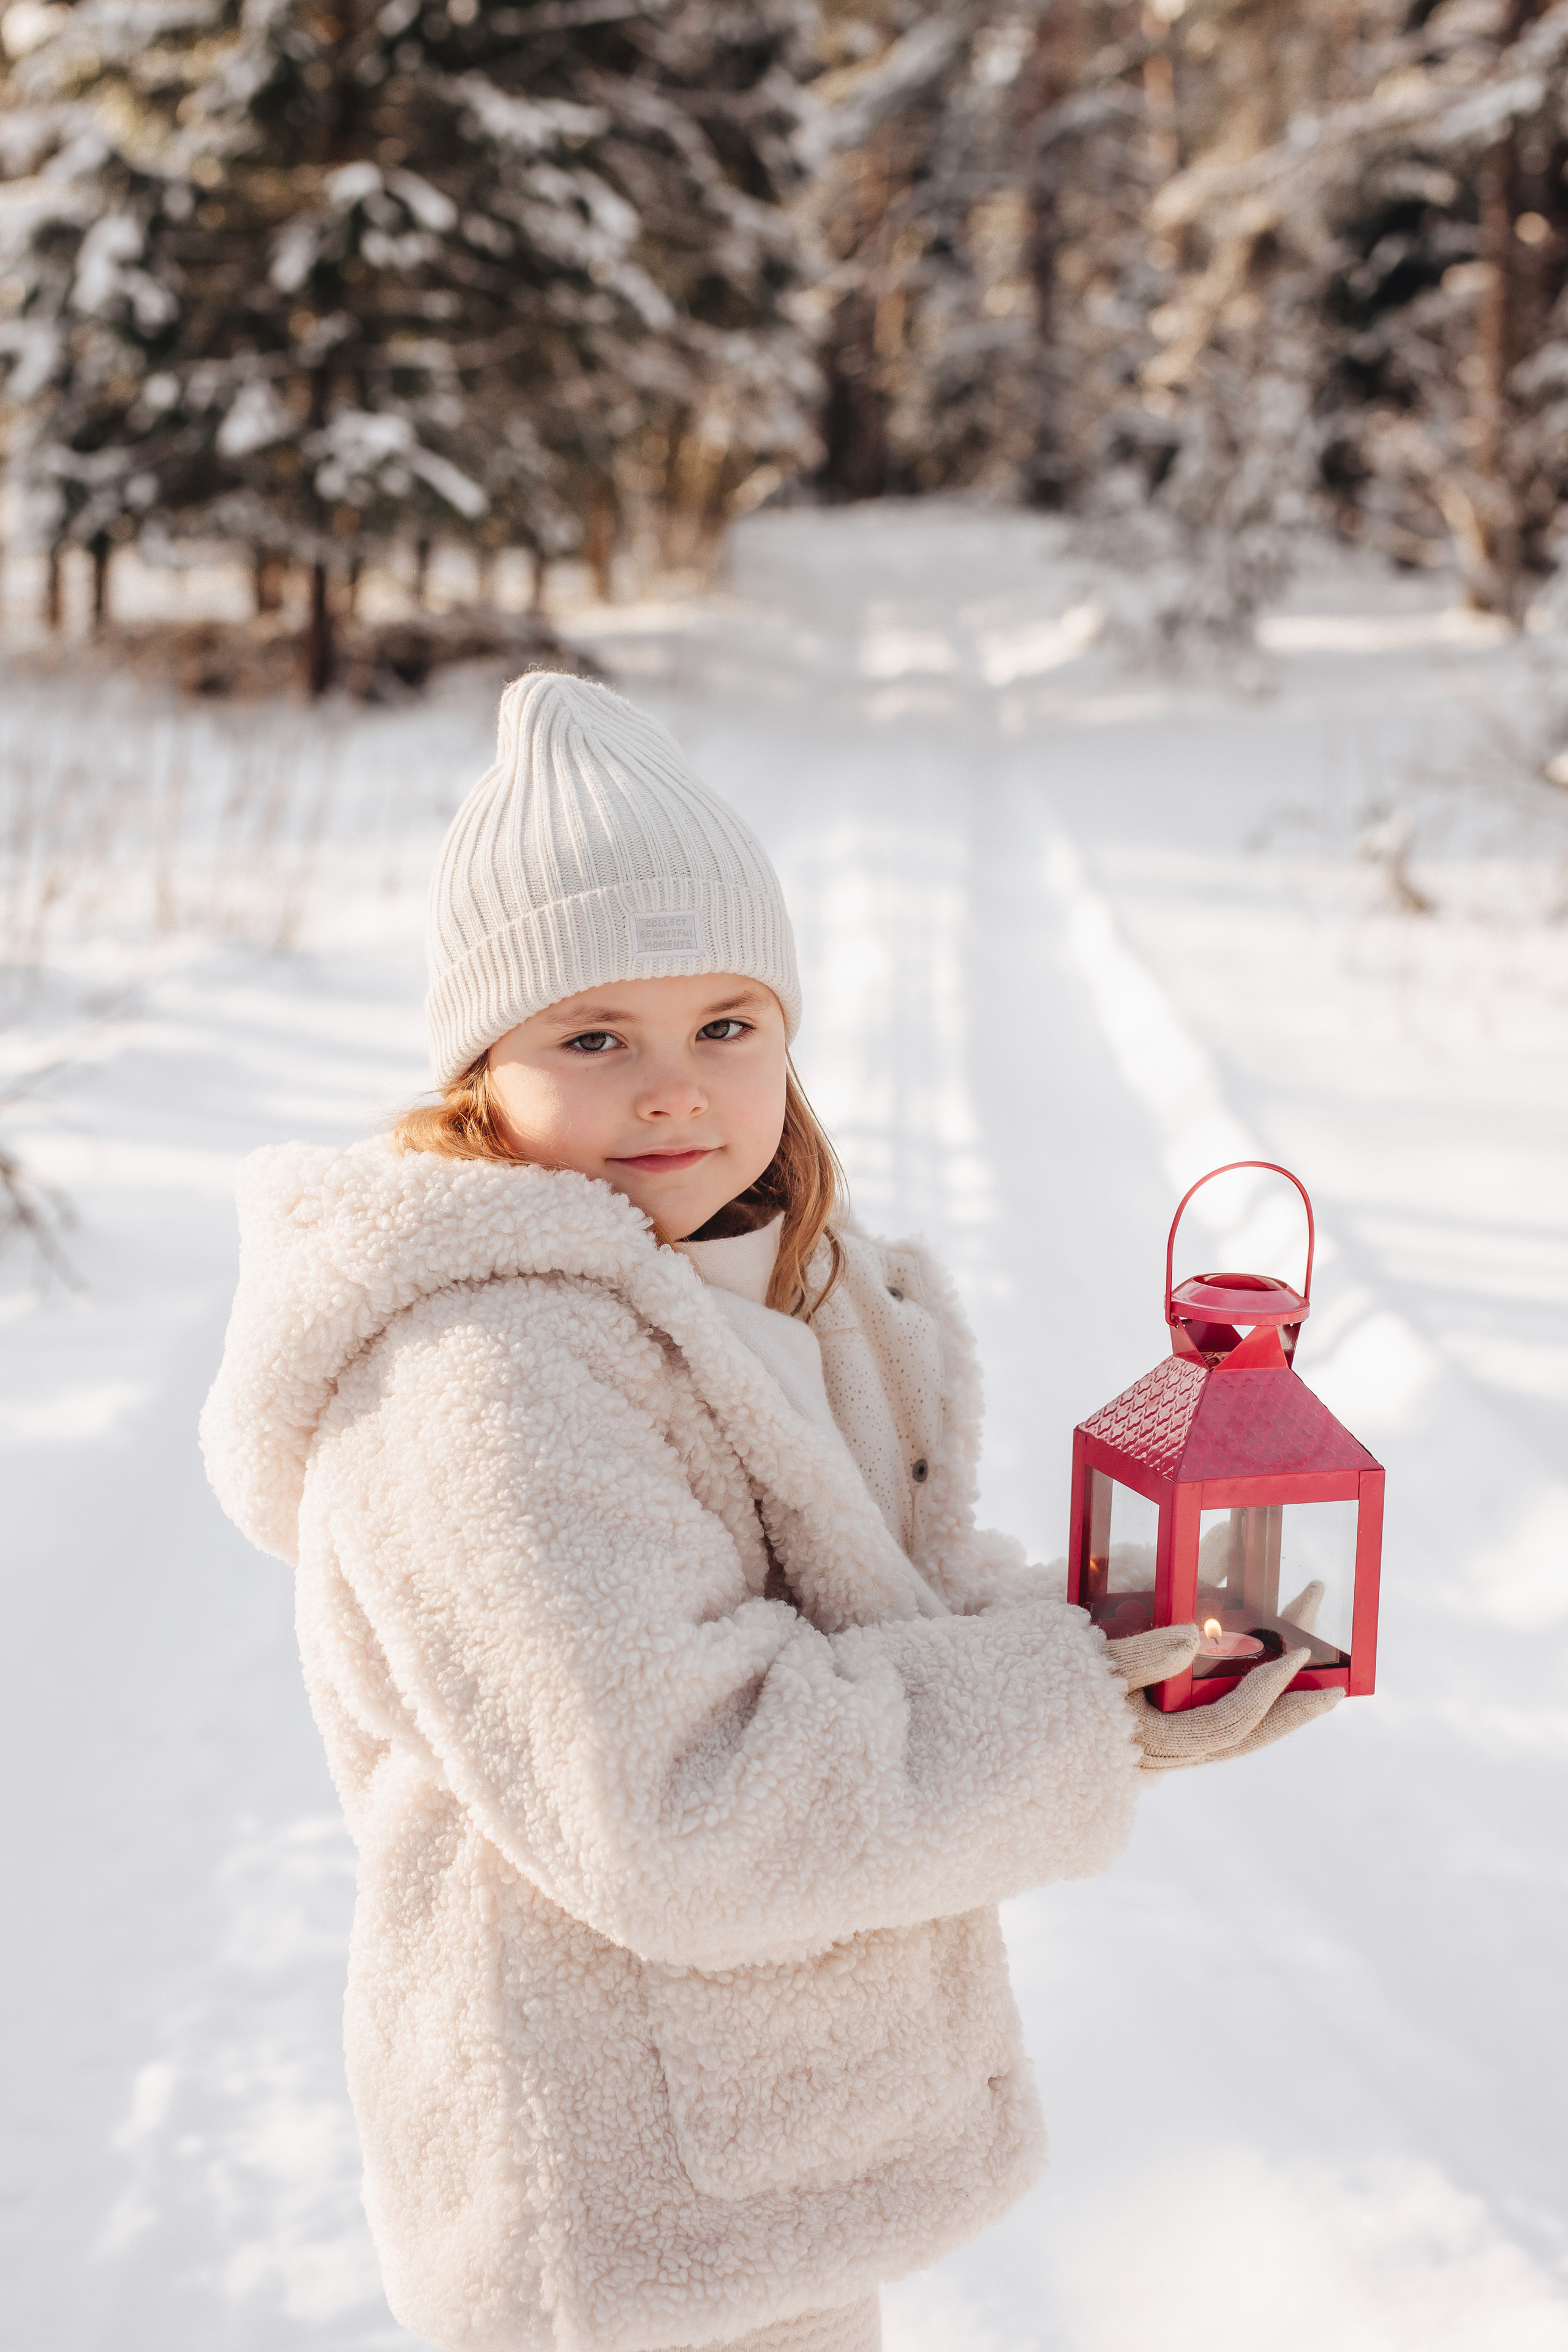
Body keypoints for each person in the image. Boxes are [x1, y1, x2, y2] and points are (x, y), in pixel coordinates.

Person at [202, 673, 1336, 2352]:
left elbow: (883, 1612)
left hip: (782, 2146)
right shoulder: (483, 1374)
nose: (675, 1090)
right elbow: (679, 1801)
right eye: (596, 1036)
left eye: (725, 1025)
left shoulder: (805, 1287)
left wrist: (1131, 1663)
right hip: (610, 2201)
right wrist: (1068, 1706)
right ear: (481, 1068)